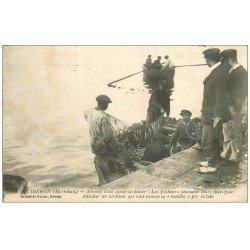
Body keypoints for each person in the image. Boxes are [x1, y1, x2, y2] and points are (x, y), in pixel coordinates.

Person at [84, 95, 135, 186]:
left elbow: (85, 115)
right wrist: (117, 145)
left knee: (102, 159)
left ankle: (104, 176)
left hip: (94, 144)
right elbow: (108, 137)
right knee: (121, 148)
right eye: (107, 104)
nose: (107, 106)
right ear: (103, 104)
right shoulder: (104, 117)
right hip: (103, 146)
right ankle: (129, 168)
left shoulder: (90, 112)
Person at [197, 48, 230, 173]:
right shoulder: (219, 70)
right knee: (211, 138)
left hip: (212, 114)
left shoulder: (218, 73)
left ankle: (212, 165)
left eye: (206, 58)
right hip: (211, 112)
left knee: (209, 139)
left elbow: (221, 96)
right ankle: (210, 160)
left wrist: (218, 115)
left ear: (208, 59)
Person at [219, 49, 248, 165]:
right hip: (227, 106)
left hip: (234, 107)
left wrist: (234, 107)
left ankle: (235, 154)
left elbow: (242, 93)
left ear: (228, 59)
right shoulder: (232, 71)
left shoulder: (241, 72)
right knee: (226, 130)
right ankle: (226, 152)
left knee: (234, 131)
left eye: (224, 60)